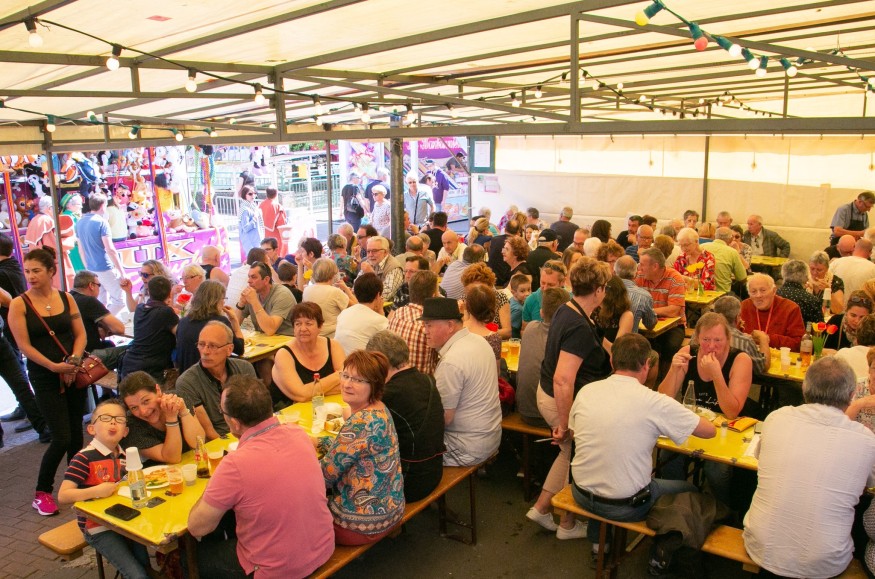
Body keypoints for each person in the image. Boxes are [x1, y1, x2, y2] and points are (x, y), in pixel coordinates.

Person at [569, 333, 715, 565]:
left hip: (580, 493)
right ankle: (662, 551)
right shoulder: (653, 401)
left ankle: (599, 544)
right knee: (689, 488)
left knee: (604, 467)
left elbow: (575, 434)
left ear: (612, 361)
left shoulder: (587, 391)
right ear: (647, 364)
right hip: (627, 506)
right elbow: (709, 431)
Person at [188, 375, 334, 578]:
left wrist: (214, 484)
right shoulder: (298, 433)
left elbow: (197, 527)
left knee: (194, 557)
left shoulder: (234, 464)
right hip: (323, 548)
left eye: (223, 413)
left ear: (234, 423)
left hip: (278, 569)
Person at [743, 356, 875, 579]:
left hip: (761, 545)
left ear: (804, 387)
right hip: (825, 562)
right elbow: (870, 484)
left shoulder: (776, 418)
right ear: (852, 395)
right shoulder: (866, 440)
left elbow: (758, 456)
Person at [526, 257, 612, 540]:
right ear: (598, 290)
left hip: (548, 394)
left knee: (567, 453)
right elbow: (564, 379)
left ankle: (543, 508)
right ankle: (566, 522)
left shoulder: (568, 308)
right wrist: (565, 424)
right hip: (559, 399)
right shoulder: (578, 326)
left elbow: (596, 342)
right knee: (574, 455)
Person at [8, 247, 86, 515]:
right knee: (61, 437)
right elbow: (24, 346)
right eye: (27, 271)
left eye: (36, 271)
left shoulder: (66, 298)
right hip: (44, 377)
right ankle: (42, 492)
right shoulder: (19, 304)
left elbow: (80, 334)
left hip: (73, 374)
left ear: (51, 271)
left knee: (76, 433)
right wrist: (53, 366)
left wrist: (73, 362)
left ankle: (75, 483)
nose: (31, 276)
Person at [658, 313, 756, 505]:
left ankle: (722, 509)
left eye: (718, 340)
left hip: (726, 431)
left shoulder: (740, 360)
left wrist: (717, 375)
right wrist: (673, 370)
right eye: (706, 340)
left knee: (716, 470)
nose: (711, 346)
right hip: (693, 425)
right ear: (697, 338)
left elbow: (732, 412)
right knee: (667, 456)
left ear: (728, 339)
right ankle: (675, 504)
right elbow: (663, 400)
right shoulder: (688, 352)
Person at [320, 350, 405, 545]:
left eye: (358, 380)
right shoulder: (380, 408)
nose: (347, 384)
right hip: (392, 510)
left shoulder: (360, 422)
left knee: (293, 506)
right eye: (345, 375)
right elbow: (351, 450)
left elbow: (324, 476)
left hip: (359, 525)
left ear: (374, 385)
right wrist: (320, 443)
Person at [58, 400, 150, 579]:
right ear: (92, 429)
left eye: (119, 419)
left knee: (145, 565)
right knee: (138, 575)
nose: (113, 422)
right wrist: (96, 491)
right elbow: (63, 495)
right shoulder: (83, 458)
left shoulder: (124, 455)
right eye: (106, 418)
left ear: (125, 431)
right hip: (97, 526)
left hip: (125, 518)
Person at [420, 297, 501, 466]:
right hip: (491, 437)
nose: (425, 330)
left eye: (429, 325)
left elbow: (442, 419)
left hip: (465, 448)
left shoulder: (451, 362)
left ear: (450, 326)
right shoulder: (480, 341)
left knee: (403, 451)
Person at [366, 331, 445, 502]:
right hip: (433, 470)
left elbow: (364, 435)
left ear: (380, 362)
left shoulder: (389, 394)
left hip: (409, 483)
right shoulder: (427, 379)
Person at [176, 322, 256, 440]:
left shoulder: (244, 368)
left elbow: (257, 412)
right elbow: (209, 432)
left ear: (229, 349)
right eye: (201, 344)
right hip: (220, 442)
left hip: (251, 434)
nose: (205, 351)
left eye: (213, 346)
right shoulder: (187, 382)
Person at [119, 371, 204, 464]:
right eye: (134, 408)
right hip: (160, 471)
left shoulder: (177, 398)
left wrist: (183, 411)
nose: (143, 411)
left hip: (193, 464)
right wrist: (171, 418)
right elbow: (173, 458)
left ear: (158, 390)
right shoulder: (131, 424)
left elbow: (198, 442)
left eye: (146, 401)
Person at [271, 302, 344, 407]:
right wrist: (338, 375)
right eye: (298, 324)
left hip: (327, 406)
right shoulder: (284, 354)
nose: (303, 329)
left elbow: (346, 384)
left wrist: (310, 393)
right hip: (289, 410)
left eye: (308, 324)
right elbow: (302, 395)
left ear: (320, 326)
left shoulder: (333, 345)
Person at [516, 287, 569, 428]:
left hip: (524, 410)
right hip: (551, 417)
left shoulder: (530, 328)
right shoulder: (566, 338)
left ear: (541, 312)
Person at [636, 247, 687, 378]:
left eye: (642, 264)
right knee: (637, 344)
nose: (639, 268)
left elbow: (674, 310)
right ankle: (645, 378)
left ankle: (666, 380)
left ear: (655, 266)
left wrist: (648, 311)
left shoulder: (675, 278)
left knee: (670, 346)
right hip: (646, 324)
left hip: (673, 326)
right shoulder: (639, 276)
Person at [176, 280, 244, 373]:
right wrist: (234, 320)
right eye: (223, 298)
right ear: (216, 301)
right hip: (208, 375)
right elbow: (240, 349)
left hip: (185, 375)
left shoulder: (183, 322)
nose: (224, 302)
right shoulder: (219, 323)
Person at [119, 276, 178, 382]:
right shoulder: (165, 312)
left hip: (129, 365)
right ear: (169, 293)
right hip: (152, 370)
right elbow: (180, 334)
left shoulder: (140, 309)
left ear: (149, 292)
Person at [74, 193, 125, 313]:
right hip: (105, 266)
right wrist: (122, 271)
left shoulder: (80, 222)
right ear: (103, 206)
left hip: (91, 267)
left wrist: (87, 267)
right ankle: (105, 321)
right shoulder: (101, 222)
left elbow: (81, 250)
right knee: (119, 301)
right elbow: (110, 249)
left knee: (102, 300)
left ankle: (102, 321)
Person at [70, 270, 127, 371]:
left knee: (109, 344)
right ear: (91, 285)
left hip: (71, 356)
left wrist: (99, 326)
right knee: (133, 348)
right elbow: (119, 329)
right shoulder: (89, 301)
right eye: (99, 285)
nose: (99, 289)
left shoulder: (68, 298)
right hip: (89, 356)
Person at [388, 270, 439, 376]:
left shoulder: (397, 313)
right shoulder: (429, 326)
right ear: (434, 296)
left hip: (395, 379)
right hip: (423, 382)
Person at [740, 273, 805, 351]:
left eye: (763, 290)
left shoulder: (790, 308)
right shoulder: (743, 306)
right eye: (753, 291)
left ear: (774, 291)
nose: (758, 295)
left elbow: (798, 343)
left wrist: (767, 339)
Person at [235, 262, 296, 337]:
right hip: (264, 341)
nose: (249, 281)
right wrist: (241, 304)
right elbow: (234, 326)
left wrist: (254, 301)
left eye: (253, 277)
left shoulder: (282, 295)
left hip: (286, 340)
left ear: (266, 280)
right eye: (249, 277)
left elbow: (270, 330)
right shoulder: (253, 294)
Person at [713, 295, 769, 376]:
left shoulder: (701, 335)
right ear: (737, 317)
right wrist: (763, 339)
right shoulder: (746, 341)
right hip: (734, 382)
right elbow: (762, 367)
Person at [335, 273, 388, 355]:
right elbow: (387, 343)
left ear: (355, 293)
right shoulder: (379, 320)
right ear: (378, 295)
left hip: (338, 359)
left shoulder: (344, 313)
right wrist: (381, 310)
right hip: (361, 361)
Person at [301, 258, 350, 337]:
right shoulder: (335, 292)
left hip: (313, 335)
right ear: (333, 274)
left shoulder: (307, 290)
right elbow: (356, 308)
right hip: (333, 336)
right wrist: (347, 289)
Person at [24, 196, 66, 288]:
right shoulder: (47, 221)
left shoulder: (35, 219)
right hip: (49, 263)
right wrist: (67, 244)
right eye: (56, 207)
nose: (57, 210)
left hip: (36, 261)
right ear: (50, 208)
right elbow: (52, 245)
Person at [614, 255, 657, 333]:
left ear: (614, 272)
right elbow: (650, 325)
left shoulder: (603, 291)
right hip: (629, 339)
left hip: (602, 339)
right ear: (636, 274)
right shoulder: (644, 296)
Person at [593, 276, 634, 354]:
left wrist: (596, 333)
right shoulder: (594, 309)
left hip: (608, 359)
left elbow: (616, 352)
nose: (595, 293)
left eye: (599, 289)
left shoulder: (626, 315)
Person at [522, 260, 567, 330]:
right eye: (542, 283)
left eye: (551, 285)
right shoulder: (530, 300)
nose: (545, 288)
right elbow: (524, 330)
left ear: (562, 282)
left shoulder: (570, 301)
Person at [777, 259, 823, 327]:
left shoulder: (773, 295)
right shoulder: (811, 300)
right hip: (801, 333)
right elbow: (820, 327)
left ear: (783, 274)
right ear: (806, 278)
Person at [359, 236, 403, 302]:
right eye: (368, 251)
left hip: (387, 307)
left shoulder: (394, 267)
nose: (370, 255)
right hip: (367, 303)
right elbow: (356, 287)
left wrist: (372, 275)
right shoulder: (369, 262)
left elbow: (384, 296)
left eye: (374, 251)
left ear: (385, 252)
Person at [708, 227, 748, 293]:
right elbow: (742, 278)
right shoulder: (732, 252)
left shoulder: (701, 247)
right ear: (731, 239)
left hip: (702, 291)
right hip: (722, 293)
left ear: (714, 236)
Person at [807, 250, 844, 315]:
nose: (815, 273)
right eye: (812, 268)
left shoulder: (835, 281)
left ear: (827, 269)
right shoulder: (804, 279)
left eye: (819, 270)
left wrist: (828, 290)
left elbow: (838, 310)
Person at [487, 218, 521, 287]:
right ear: (518, 232)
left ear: (505, 230)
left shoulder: (494, 240)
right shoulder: (517, 244)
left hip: (491, 279)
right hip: (506, 283)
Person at [259, 187, 287, 256]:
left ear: (266, 193)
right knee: (277, 253)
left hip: (263, 233)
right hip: (275, 234)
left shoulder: (261, 205)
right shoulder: (278, 206)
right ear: (276, 194)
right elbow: (282, 223)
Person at [238, 185, 263, 261]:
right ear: (244, 195)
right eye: (250, 194)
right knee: (253, 261)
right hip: (250, 241)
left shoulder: (253, 206)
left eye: (254, 193)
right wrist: (255, 218)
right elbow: (245, 228)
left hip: (256, 239)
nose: (253, 196)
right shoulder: (245, 209)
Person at [509, 273, 532, 339]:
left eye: (529, 290)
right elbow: (513, 329)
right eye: (522, 291)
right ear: (513, 292)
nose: (527, 293)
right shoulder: (519, 309)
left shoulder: (512, 299)